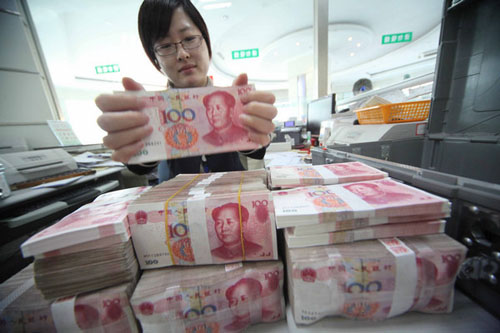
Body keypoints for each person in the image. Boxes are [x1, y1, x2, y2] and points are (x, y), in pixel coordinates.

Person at [94, 0, 277, 182]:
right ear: (155, 59)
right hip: (175, 206)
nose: (182, 54)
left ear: (206, 42)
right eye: (165, 46)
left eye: (189, 39)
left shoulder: (234, 102)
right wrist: (137, 145)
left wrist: (254, 132)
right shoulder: (151, 113)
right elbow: (139, 169)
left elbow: (257, 152)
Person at [343, 182, 413, 205]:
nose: (359, 191)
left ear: (372, 187)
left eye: (361, 188)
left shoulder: (402, 197)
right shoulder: (368, 203)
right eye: (354, 191)